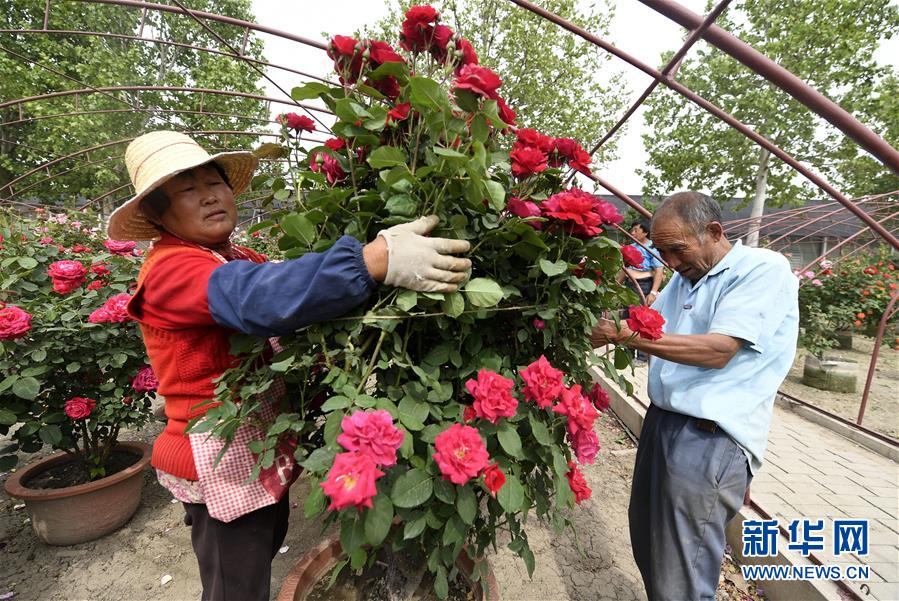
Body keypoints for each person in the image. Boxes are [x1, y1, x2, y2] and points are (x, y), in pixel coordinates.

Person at [108, 131, 472, 601]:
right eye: (187, 188)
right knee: (234, 588)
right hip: (216, 454)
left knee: (259, 551)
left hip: (253, 444)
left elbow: (290, 286)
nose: (210, 195)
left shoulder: (231, 256)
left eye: (214, 181)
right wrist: (373, 259)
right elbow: (259, 296)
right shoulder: (170, 270)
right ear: (158, 213)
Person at [591, 191, 798, 601]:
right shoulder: (688, 278)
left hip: (708, 438)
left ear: (714, 232)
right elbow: (643, 322)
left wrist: (619, 334)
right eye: (662, 251)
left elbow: (719, 350)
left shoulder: (761, 270)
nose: (668, 261)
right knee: (651, 546)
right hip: (663, 426)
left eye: (676, 249)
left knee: (680, 573)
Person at [621, 217, 664, 306]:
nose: (632, 233)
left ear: (645, 232)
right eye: (632, 230)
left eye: (636, 230)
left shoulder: (652, 248)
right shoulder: (631, 247)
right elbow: (625, 268)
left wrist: (653, 293)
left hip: (643, 285)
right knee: (627, 312)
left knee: (638, 311)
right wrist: (617, 284)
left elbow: (659, 271)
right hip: (629, 284)